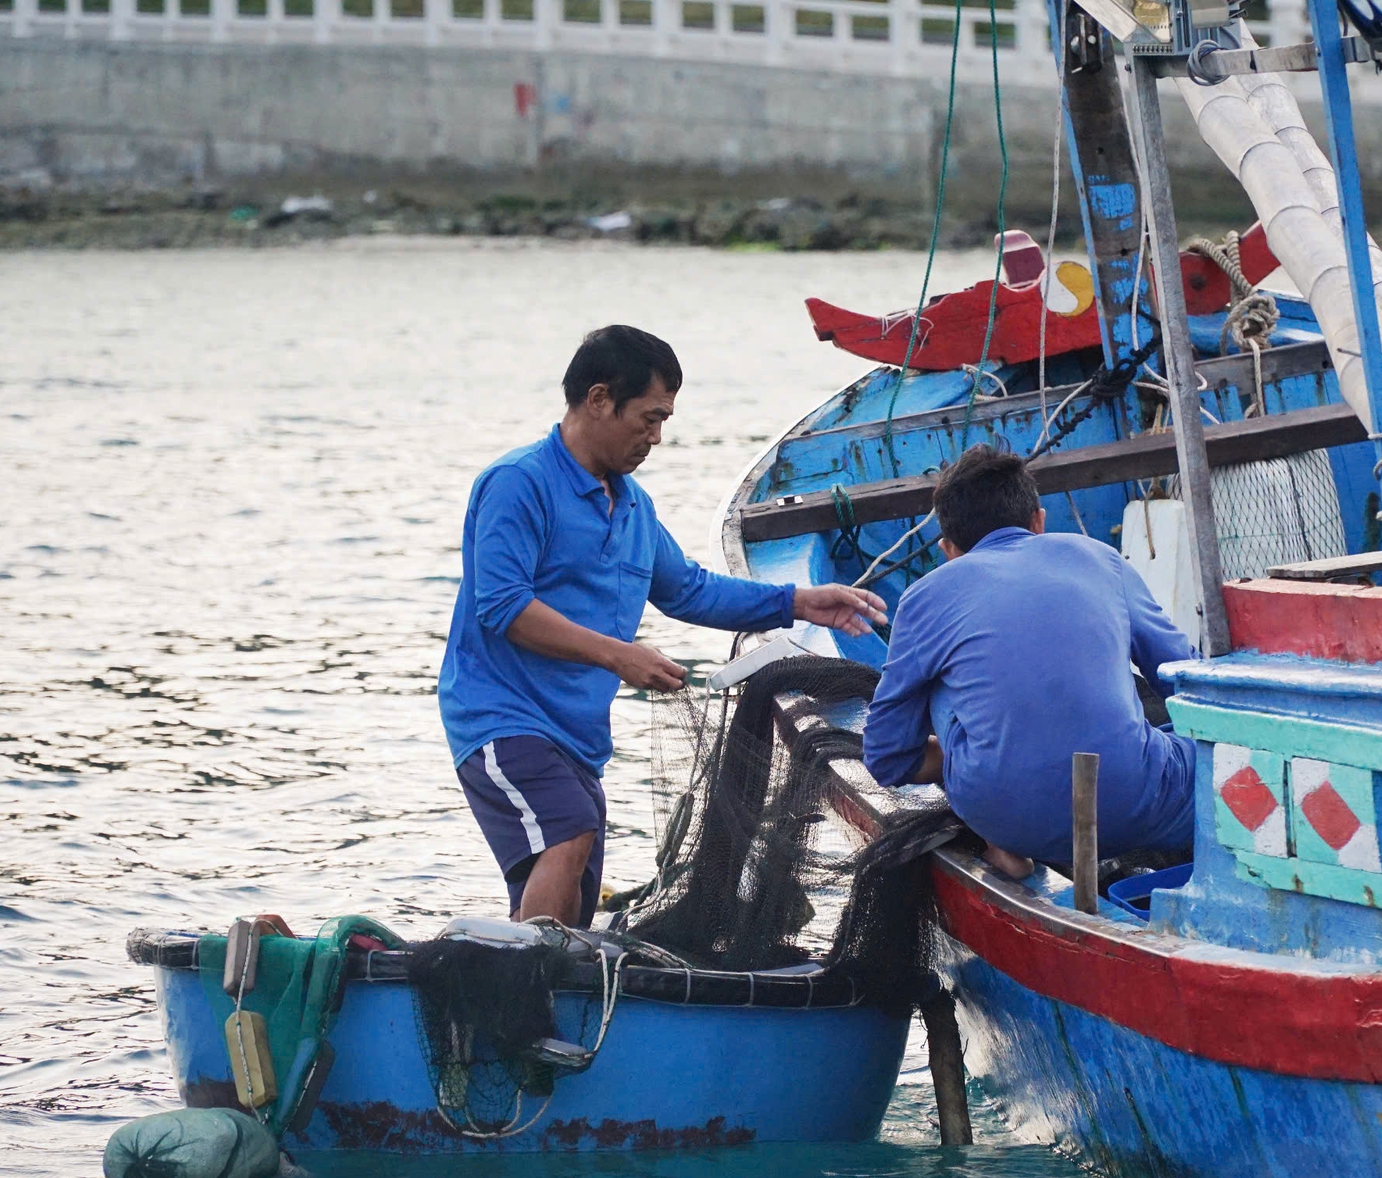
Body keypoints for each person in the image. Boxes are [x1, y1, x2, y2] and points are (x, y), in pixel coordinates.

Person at [440, 326, 886, 927]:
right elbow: (502, 606)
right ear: (599, 399)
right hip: (501, 719)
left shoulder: (632, 505)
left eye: (664, 422)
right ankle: (523, 999)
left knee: (569, 898)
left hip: (578, 736)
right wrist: (619, 655)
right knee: (567, 834)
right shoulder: (519, 483)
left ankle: (536, 998)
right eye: (648, 419)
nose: (655, 437)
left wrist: (801, 602)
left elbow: (688, 590)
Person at [861, 445, 1196, 878]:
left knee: (947, 682)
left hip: (1006, 818)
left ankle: (999, 847)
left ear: (948, 549)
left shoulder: (925, 596)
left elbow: (886, 756)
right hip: (1140, 802)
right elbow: (1184, 679)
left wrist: (960, 753)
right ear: (1039, 521)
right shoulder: (1100, 557)